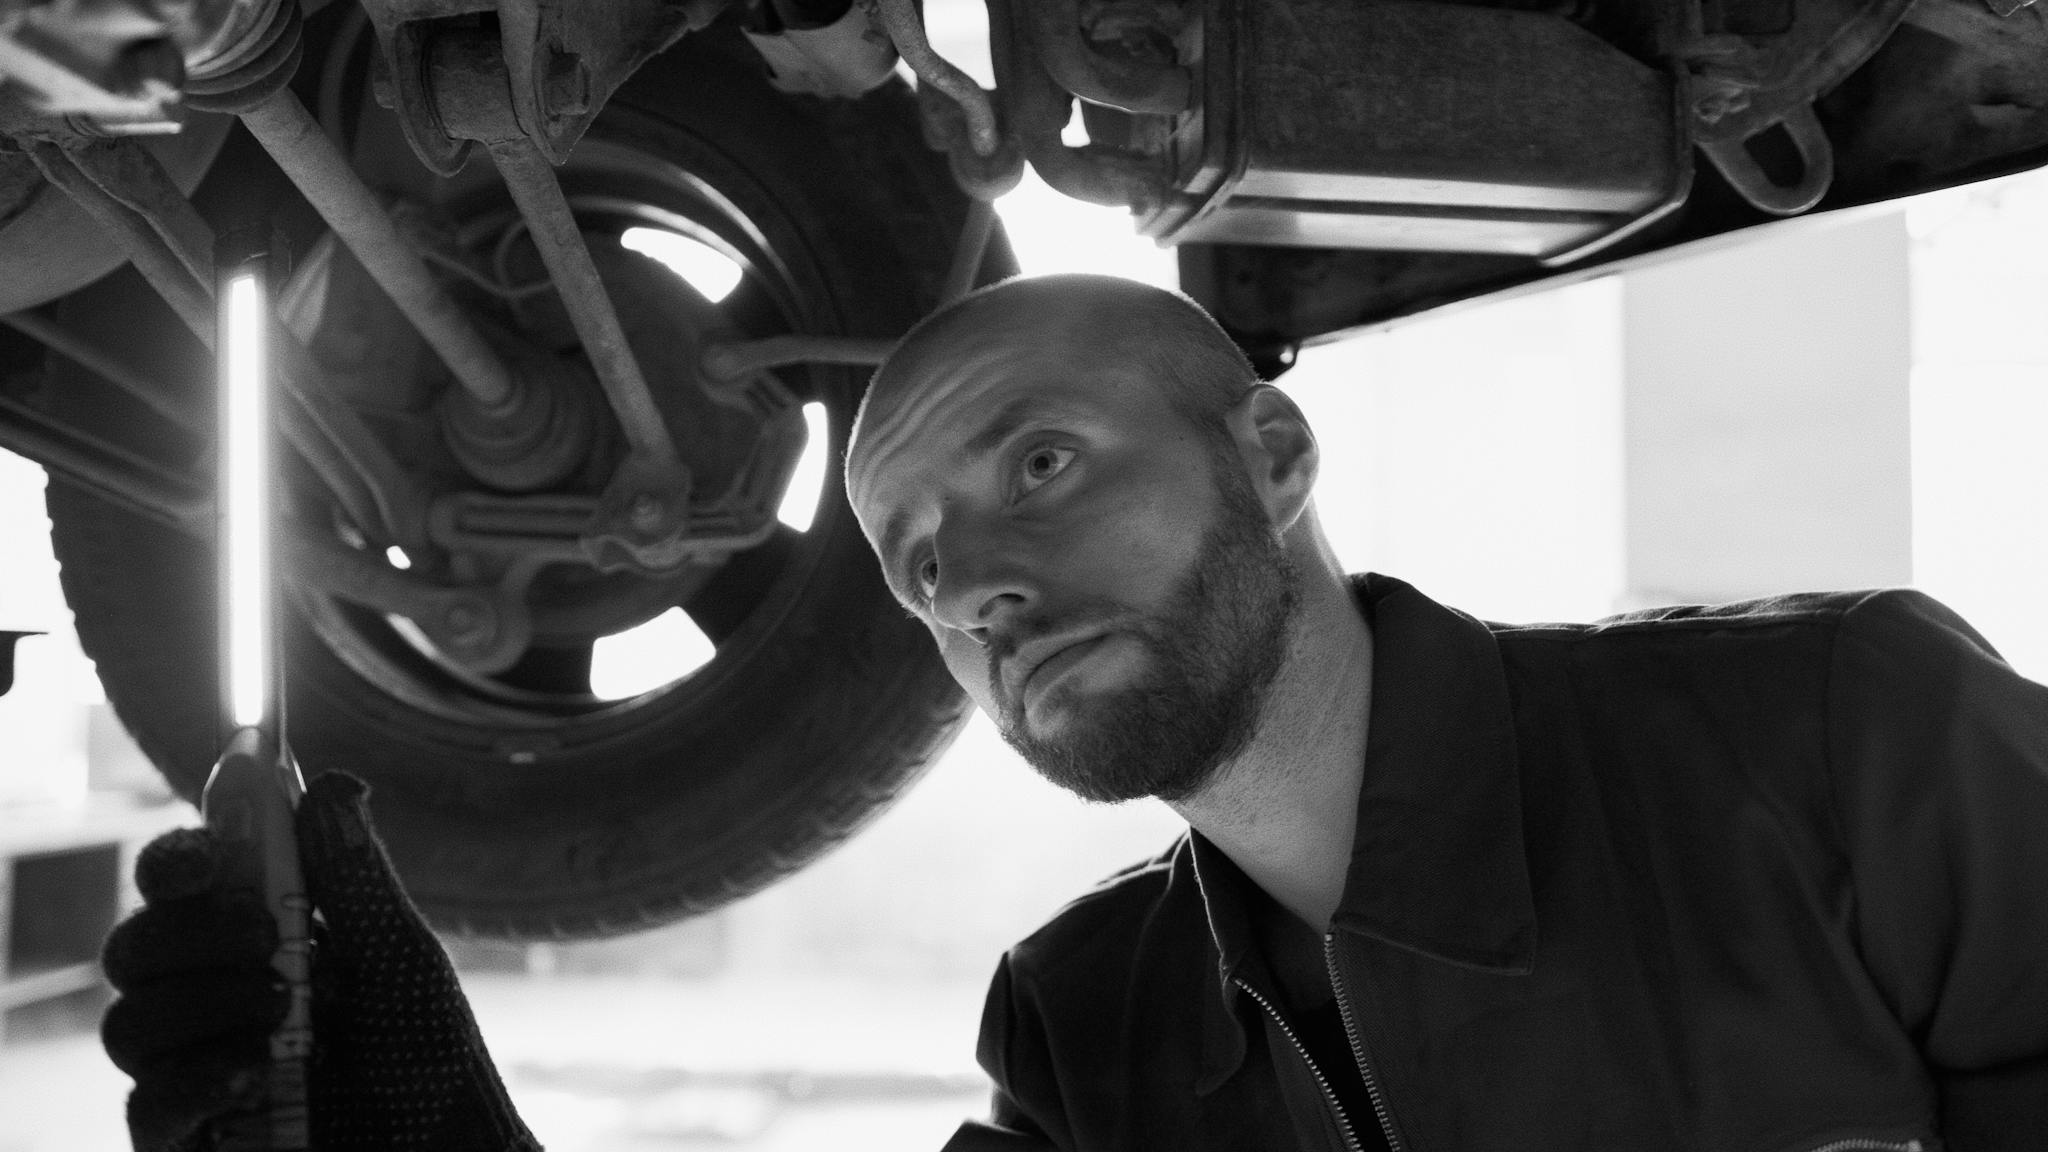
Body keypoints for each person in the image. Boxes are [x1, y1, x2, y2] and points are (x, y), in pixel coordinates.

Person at [102, 274, 2048, 1152]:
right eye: (919, 564)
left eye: (1035, 469)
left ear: (1270, 451)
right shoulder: (1088, 1033)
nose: (977, 583)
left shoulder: (1842, 745)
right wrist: (410, 1127)